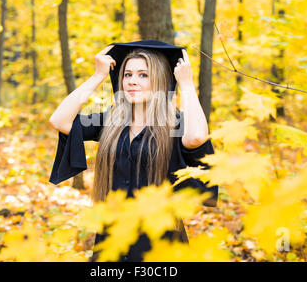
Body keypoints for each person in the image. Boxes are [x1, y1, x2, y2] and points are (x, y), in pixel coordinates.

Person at [48, 40, 218, 262]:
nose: (132, 82)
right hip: (112, 240)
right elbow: (59, 120)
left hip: (159, 243)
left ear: (159, 80)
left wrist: (186, 84)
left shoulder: (174, 124)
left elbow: (197, 137)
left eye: (143, 75)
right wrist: (97, 76)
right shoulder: (112, 121)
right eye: (127, 75)